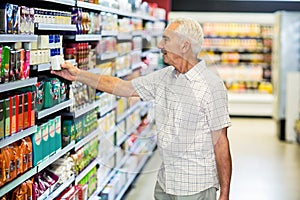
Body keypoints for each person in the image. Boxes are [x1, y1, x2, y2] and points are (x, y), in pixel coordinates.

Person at [52, 17, 232, 200]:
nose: (160, 44)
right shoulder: (164, 77)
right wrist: (78, 75)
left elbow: (221, 142)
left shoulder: (211, 86)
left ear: (185, 46)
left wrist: (224, 193)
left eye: (166, 40)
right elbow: (122, 87)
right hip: (165, 182)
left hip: (196, 187)